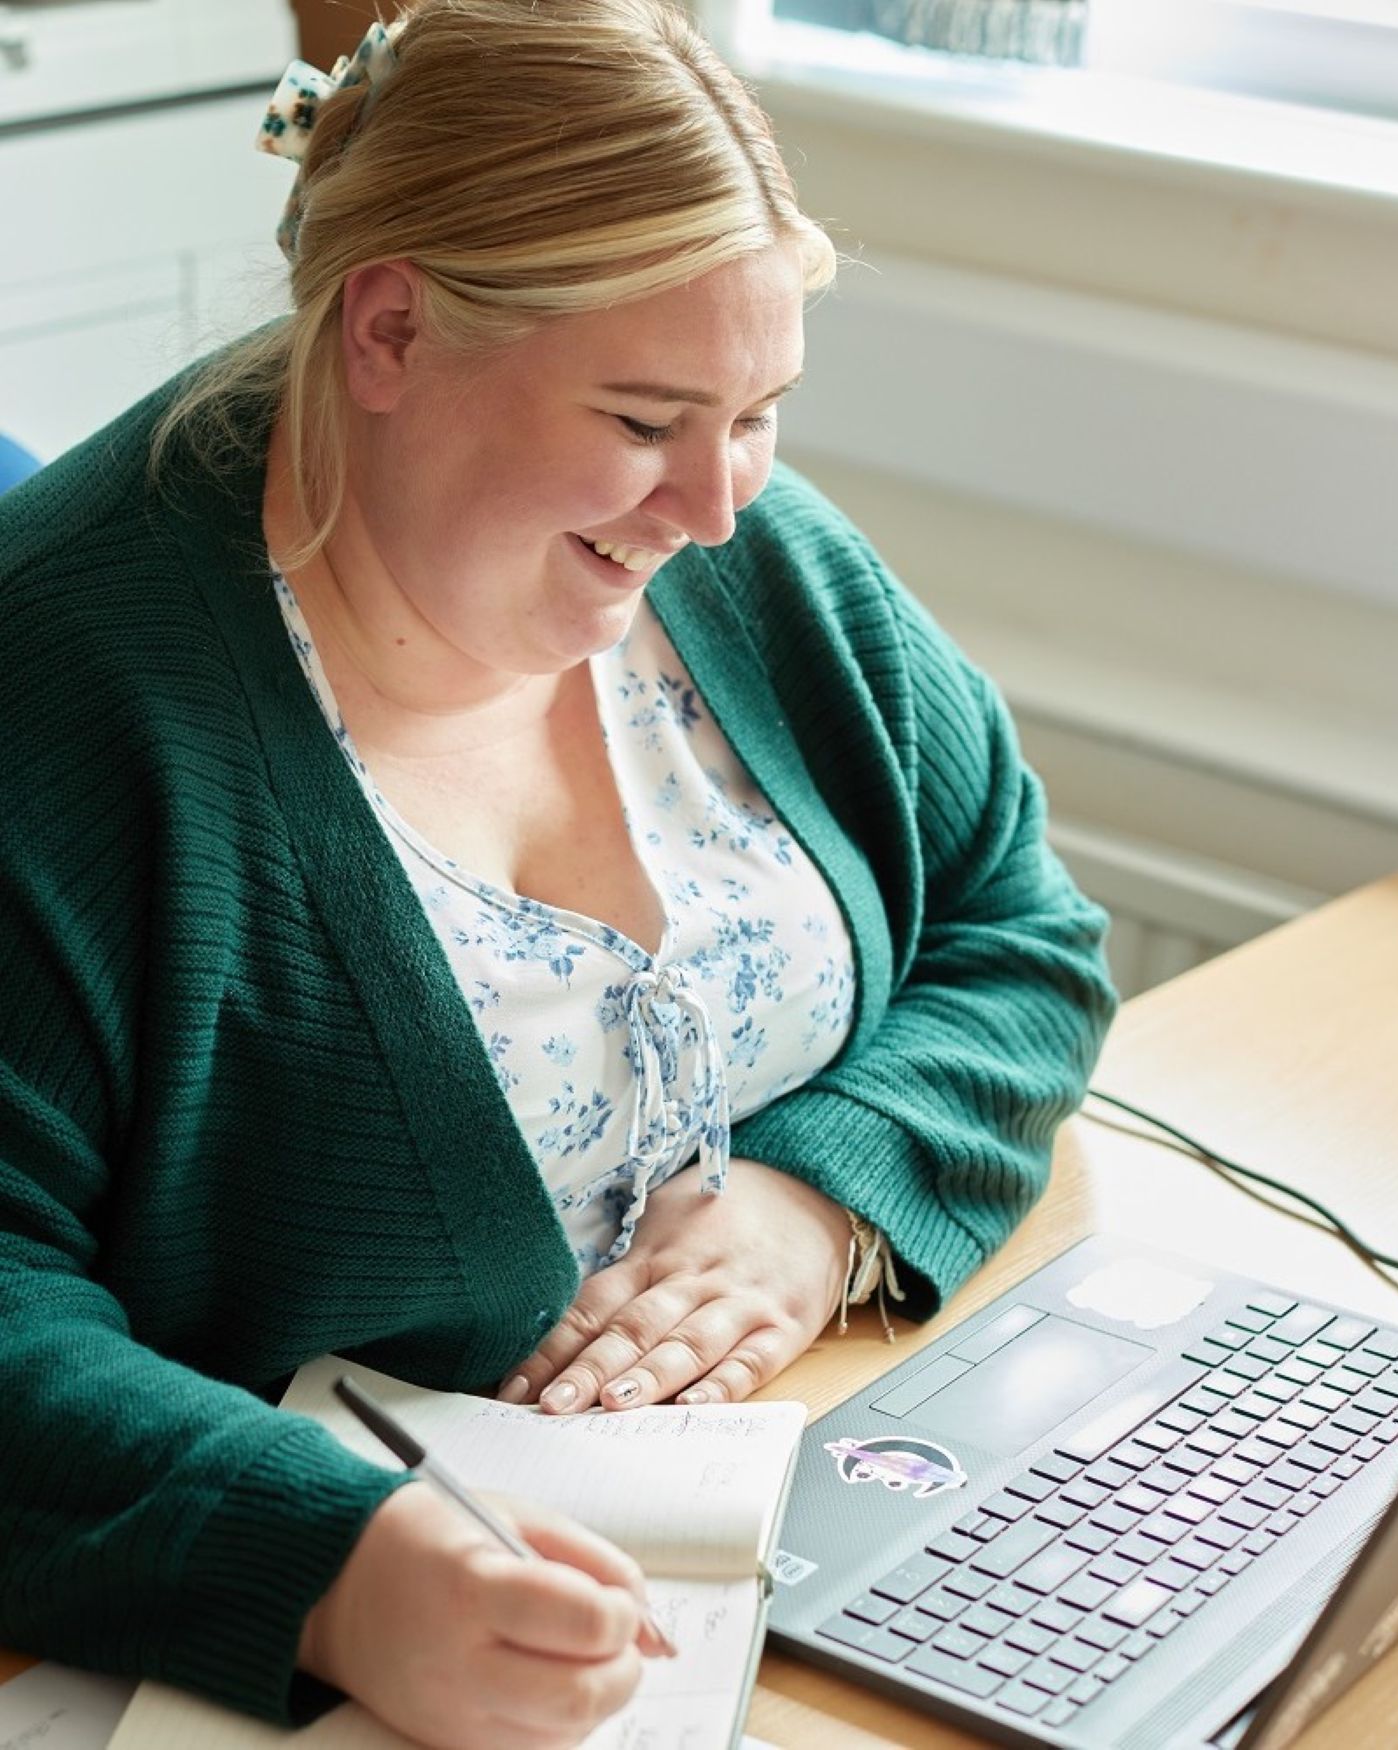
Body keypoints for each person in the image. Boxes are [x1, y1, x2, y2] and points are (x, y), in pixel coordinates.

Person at [0, 1, 1115, 1745]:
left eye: (760, 409)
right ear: (389, 327)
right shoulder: (65, 693)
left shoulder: (747, 568)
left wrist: (815, 1208)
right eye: (647, 413)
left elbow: (1018, 921)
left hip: (823, 1485)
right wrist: (328, 1568)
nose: (721, 502)